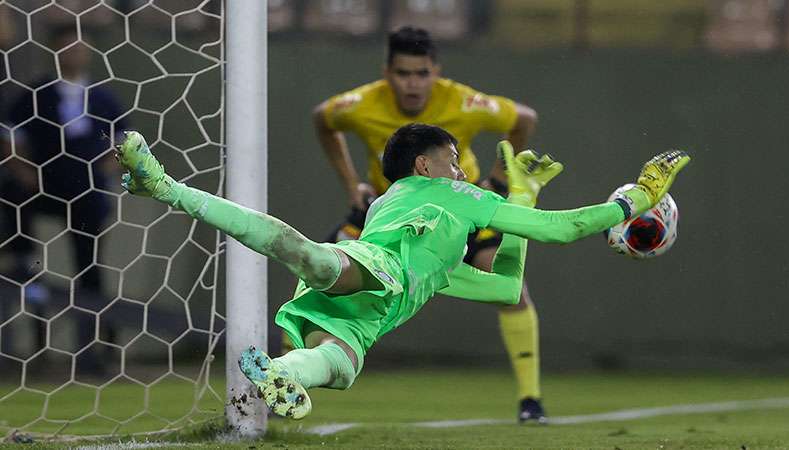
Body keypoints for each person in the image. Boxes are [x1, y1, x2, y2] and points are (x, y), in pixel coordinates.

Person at [115, 124, 689, 420]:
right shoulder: (451, 196)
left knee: (335, 364)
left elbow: (507, 285)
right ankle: (163, 185)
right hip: (376, 270)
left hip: (386, 298)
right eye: (454, 158)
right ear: (427, 165)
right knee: (306, 255)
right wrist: (634, 198)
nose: (463, 168)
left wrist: (523, 195)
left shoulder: (416, 223)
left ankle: (282, 374)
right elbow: (567, 231)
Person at [313, 26, 547, 423]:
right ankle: (281, 386)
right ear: (387, 72)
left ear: (436, 71)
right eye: (403, 73)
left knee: (511, 289)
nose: (413, 83)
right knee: (319, 275)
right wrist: (352, 184)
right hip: (390, 215)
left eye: (422, 73)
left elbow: (524, 119)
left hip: (459, 210)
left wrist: (498, 179)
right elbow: (323, 119)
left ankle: (531, 400)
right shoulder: (360, 104)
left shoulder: (463, 102)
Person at [0, 24, 126, 372]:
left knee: (89, 266)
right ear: (52, 51)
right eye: (65, 47)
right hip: (44, 186)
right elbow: (10, 138)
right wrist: (24, 171)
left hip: (85, 190)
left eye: (79, 46)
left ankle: (96, 350)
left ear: (88, 51)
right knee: (11, 193)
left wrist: (101, 172)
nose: (72, 53)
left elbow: (122, 145)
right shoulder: (34, 95)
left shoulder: (103, 98)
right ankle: (23, 260)